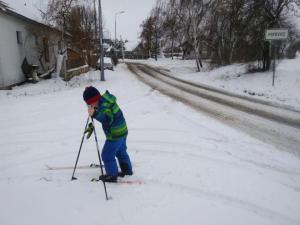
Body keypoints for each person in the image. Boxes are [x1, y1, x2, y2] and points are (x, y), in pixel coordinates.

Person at [83, 86, 133, 182]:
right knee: (120, 151)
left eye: (90, 104)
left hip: (115, 134)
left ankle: (112, 175)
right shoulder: (107, 101)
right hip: (122, 130)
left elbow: (107, 118)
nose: (90, 106)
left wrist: (95, 114)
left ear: (94, 100)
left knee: (107, 155)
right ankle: (127, 170)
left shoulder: (104, 106)